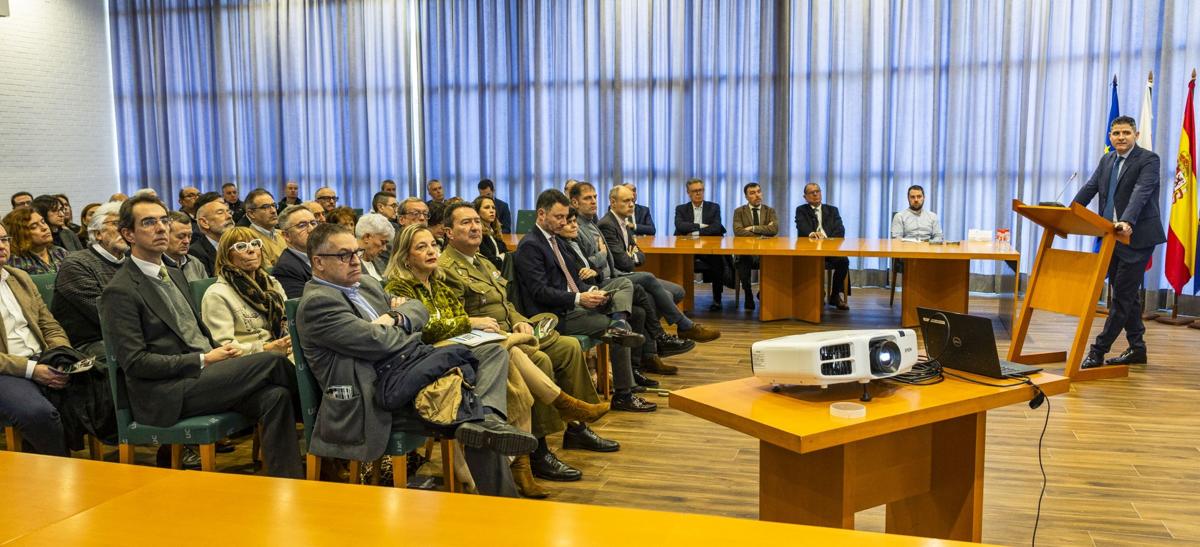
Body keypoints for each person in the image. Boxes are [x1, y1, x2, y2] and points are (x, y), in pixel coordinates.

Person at [297, 222, 535, 497]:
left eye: (357, 252)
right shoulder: (318, 303)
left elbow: (417, 309)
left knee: (492, 353)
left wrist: (396, 318)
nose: (355, 261)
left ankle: (489, 422)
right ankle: (504, 506)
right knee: (471, 412)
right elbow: (380, 342)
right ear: (318, 262)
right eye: (344, 255)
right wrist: (404, 329)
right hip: (375, 395)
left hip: (410, 371)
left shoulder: (366, 285)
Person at [384, 223, 609, 496]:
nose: (431, 251)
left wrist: (480, 324)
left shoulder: (439, 284)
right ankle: (561, 406)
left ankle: (523, 464)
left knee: (514, 364)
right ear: (405, 256)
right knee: (510, 351)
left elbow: (497, 305)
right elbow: (424, 328)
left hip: (463, 349)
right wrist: (470, 322)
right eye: (421, 247)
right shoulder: (399, 287)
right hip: (433, 360)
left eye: (433, 244)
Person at [100, 194, 304, 478]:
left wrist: (219, 355)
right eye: (149, 222)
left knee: (276, 395)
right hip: (166, 391)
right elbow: (136, 363)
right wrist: (203, 358)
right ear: (128, 234)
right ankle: (331, 426)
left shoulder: (174, 272)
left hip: (206, 375)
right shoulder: (120, 290)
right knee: (272, 361)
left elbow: (195, 332)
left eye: (164, 221)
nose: (161, 228)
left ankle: (288, 484)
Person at [439, 203, 621, 480]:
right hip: (488, 342)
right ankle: (538, 450)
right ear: (449, 232)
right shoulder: (446, 268)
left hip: (512, 331)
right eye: (466, 223)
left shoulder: (482, 262)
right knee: (542, 359)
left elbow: (505, 303)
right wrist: (508, 329)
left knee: (569, 348)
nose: (475, 227)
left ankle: (577, 427)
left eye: (477, 221)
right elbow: (458, 317)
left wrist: (518, 319)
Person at [516, 189, 656, 412]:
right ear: (541, 215)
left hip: (573, 304)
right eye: (559, 217)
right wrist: (580, 298)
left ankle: (621, 330)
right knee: (620, 328)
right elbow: (539, 292)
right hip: (555, 315)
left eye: (565, 217)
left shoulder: (555, 239)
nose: (564, 222)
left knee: (627, 292)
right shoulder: (531, 245)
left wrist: (590, 291)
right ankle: (623, 394)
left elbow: (573, 276)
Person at [1075, 116, 1166, 369]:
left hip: (1136, 237)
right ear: (1110, 136)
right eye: (1116, 133)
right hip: (1110, 236)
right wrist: (1069, 211)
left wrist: (1127, 221)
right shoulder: (1107, 159)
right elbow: (1090, 187)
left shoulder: (1149, 159)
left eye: (1126, 132)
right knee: (1127, 296)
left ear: (1135, 134)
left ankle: (1098, 350)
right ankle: (1137, 348)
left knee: (1122, 298)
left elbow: (1141, 192)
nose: (1121, 137)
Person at [585, 183, 719, 345]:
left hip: (627, 273)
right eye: (626, 201)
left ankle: (653, 345)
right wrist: (632, 256)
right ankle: (673, 333)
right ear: (613, 202)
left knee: (678, 291)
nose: (631, 204)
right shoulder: (608, 224)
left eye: (632, 200)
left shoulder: (623, 222)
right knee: (654, 283)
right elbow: (623, 262)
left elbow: (640, 255)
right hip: (618, 276)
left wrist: (633, 255)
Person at [558, 207, 679, 384]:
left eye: (574, 221)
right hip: (583, 297)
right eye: (568, 222)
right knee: (637, 286)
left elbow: (634, 257)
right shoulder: (563, 244)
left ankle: (635, 369)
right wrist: (602, 255)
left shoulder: (575, 241)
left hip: (594, 287)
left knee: (639, 312)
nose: (574, 225)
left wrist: (594, 271)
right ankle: (651, 334)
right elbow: (581, 273)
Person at [0, 222, 74, 456]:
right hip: (7, 370)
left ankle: (99, 472)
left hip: (43, 358)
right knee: (39, 413)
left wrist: (60, 354)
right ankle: (60, 478)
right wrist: (33, 370)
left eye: (4, 239)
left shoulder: (19, 277)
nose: (1, 246)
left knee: (98, 392)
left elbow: (49, 324)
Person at [201, 227, 292, 357]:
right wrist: (266, 348)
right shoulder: (217, 295)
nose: (251, 250)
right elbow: (223, 347)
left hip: (285, 350)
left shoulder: (272, 283)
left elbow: (290, 323)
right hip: (254, 361)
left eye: (255, 244)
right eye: (241, 246)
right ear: (226, 256)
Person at [51, 202, 126, 357]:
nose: (125, 230)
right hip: (90, 343)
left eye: (128, 224)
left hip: (125, 333)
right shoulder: (76, 263)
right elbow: (104, 313)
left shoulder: (130, 261)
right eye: (117, 224)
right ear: (98, 233)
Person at [674, 178, 729, 311]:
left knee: (718, 262)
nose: (698, 193)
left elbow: (716, 228)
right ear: (688, 192)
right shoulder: (681, 209)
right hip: (687, 248)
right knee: (677, 263)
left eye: (700, 190)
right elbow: (680, 226)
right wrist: (701, 226)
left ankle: (717, 299)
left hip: (707, 248)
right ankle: (679, 300)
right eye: (694, 191)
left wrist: (694, 232)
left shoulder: (713, 207)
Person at [795, 182, 850, 310]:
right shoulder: (801, 210)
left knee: (843, 261)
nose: (815, 194)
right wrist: (812, 233)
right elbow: (802, 226)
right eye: (811, 192)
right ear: (805, 197)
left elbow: (840, 230)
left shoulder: (832, 210)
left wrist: (826, 240)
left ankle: (835, 295)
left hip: (830, 249)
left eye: (817, 191)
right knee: (809, 263)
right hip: (810, 250)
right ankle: (817, 293)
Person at [731, 182, 778, 310]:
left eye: (758, 191)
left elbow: (774, 229)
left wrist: (753, 228)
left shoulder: (770, 211)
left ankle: (764, 292)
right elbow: (738, 231)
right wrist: (762, 233)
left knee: (774, 261)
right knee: (743, 260)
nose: (757, 195)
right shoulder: (739, 211)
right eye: (752, 193)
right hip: (747, 251)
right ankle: (748, 294)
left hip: (765, 252)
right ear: (746, 197)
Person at [2, 208, 68, 275]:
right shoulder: (15, 261)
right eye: (34, 226)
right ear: (20, 234)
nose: (44, 228)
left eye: (43, 222)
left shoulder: (61, 252)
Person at [273, 205, 319, 299]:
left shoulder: (327, 255)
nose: (311, 229)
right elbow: (307, 305)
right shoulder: (285, 269)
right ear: (286, 236)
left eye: (313, 223)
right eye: (302, 225)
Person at [190, 193, 233, 275]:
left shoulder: (240, 243)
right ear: (204, 222)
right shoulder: (196, 252)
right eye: (220, 213)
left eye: (229, 212)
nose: (229, 216)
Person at [243, 189, 287, 267]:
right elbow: (269, 275)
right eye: (265, 207)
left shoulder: (282, 233)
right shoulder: (250, 241)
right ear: (251, 213)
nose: (273, 211)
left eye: (273, 205)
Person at [163, 212, 209, 281]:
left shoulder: (195, 263)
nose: (187, 241)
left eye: (189, 236)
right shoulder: (158, 267)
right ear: (165, 235)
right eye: (181, 236)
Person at [355, 213, 395, 283]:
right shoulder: (350, 266)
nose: (384, 249)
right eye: (382, 242)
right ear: (366, 237)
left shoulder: (380, 262)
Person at [473, 195, 508, 268]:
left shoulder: (494, 231)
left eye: (493, 208)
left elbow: (506, 253)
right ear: (477, 212)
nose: (492, 211)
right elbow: (492, 262)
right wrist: (504, 258)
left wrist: (503, 258)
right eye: (486, 207)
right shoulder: (477, 234)